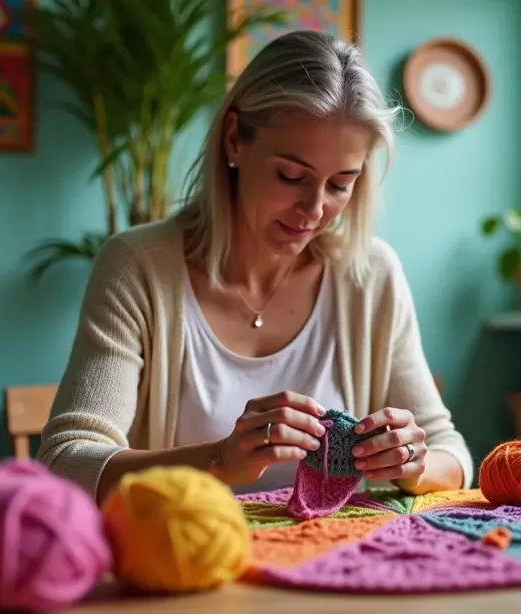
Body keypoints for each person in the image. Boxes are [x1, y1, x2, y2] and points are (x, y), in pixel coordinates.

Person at [37, 30, 473, 504]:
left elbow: (453, 455)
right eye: (291, 175)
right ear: (234, 141)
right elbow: (65, 464)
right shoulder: (139, 268)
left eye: (341, 184)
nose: (314, 209)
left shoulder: (372, 275)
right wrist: (219, 461)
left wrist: (414, 462)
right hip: (182, 563)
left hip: (336, 565)